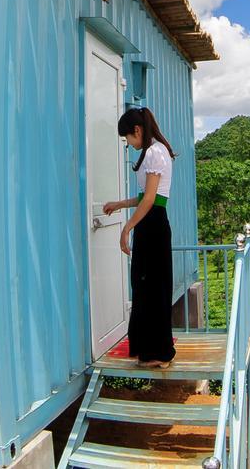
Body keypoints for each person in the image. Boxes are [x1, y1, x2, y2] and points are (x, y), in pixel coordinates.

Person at [102, 106, 177, 368]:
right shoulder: (152, 152)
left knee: (153, 287)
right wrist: (119, 204)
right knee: (144, 285)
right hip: (150, 222)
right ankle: (147, 349)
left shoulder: (155, 151)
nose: (128, 143)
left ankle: (159, 353)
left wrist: (127, 228)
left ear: (137, 130)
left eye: (127, 138)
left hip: (153, 225)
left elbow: (150, 200)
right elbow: (147, 197)